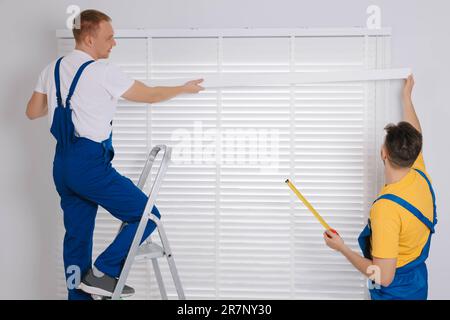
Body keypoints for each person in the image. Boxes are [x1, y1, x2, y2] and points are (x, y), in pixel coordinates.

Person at [26, 9, 204, 300]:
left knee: (77, 237)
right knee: (148, 216)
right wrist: (183, 89)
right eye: (109, 37)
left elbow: (33, 111)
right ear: (88, 38)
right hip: (90, 165)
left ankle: (79, 295)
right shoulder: (103, 71)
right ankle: (104, 271)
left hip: (62, 166)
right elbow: (149, 95)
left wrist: (64, 99)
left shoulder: (52, 69)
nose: (114, 43)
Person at [323, 75, 437, 300]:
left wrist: (343, 249)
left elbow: (383, 277)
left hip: (396, 294)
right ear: (414, 152)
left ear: (383, 153)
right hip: (418, 284)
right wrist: (406, 97)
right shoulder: (420, 176)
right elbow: (417, 133)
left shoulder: (386, 210)